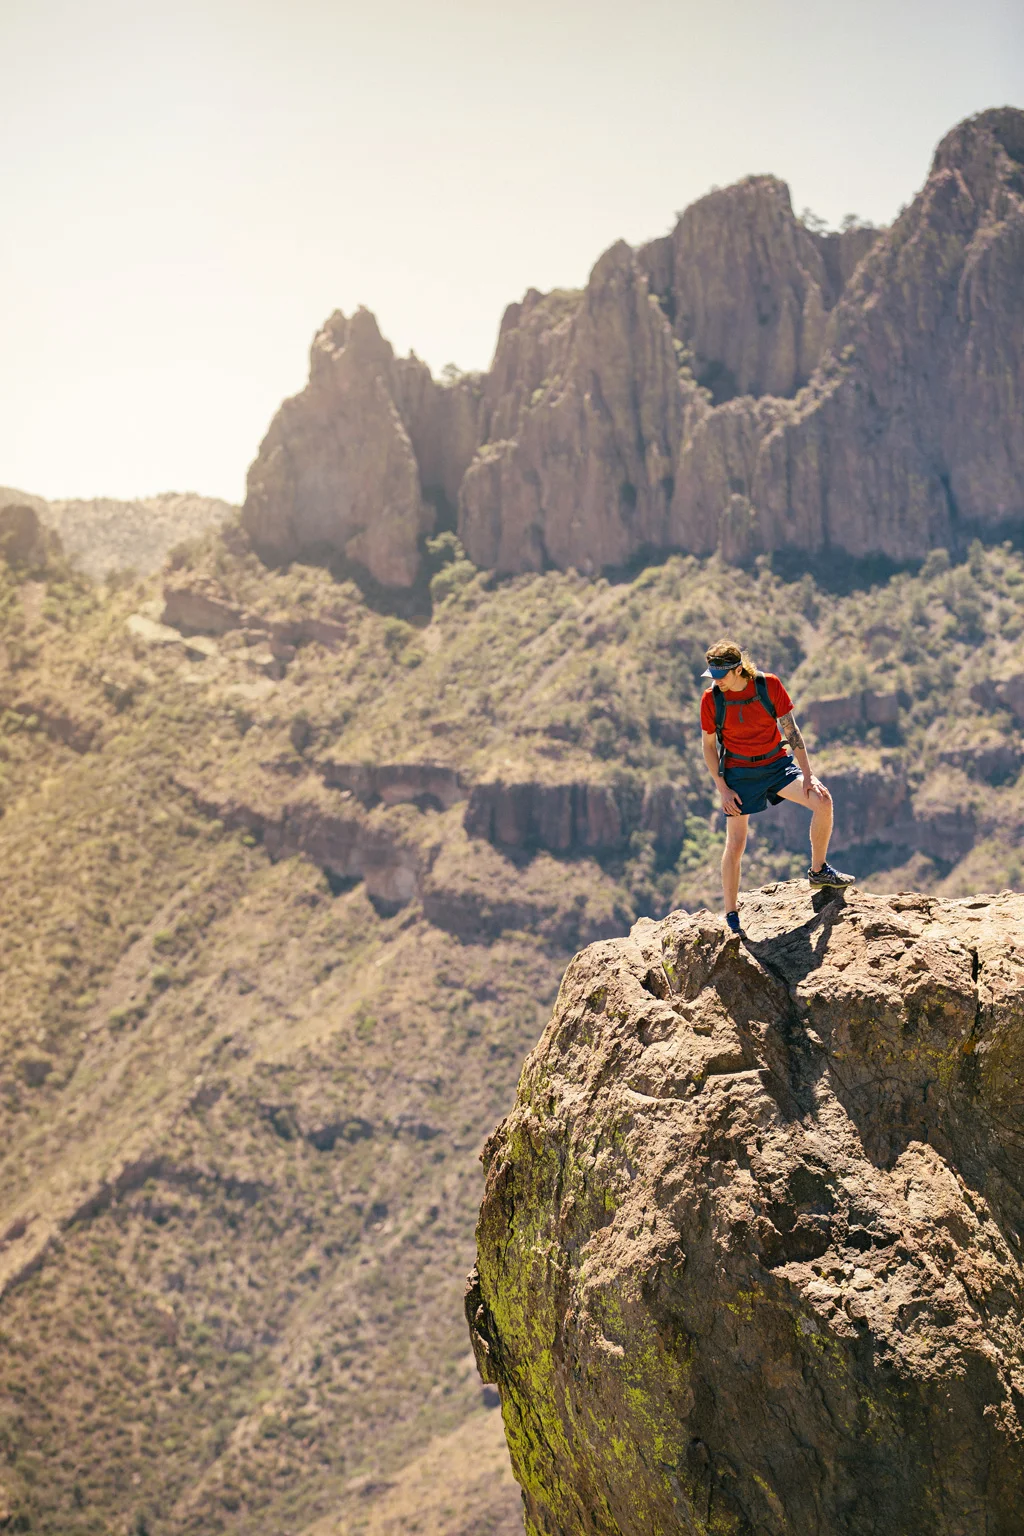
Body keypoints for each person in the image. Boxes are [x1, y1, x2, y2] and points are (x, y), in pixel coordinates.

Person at [699, 639, 854, 934]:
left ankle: (819, 871)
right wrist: (722, 787)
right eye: (712, 676)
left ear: (737, 669)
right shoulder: (711, 699)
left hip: (776, 765)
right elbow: (708, 746)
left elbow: (791, 730)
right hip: (739, 773)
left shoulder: (768, 686)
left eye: (721, 676)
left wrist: (808, 775)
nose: (716, 682)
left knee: (822, 800)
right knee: (736, 843)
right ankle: (731, 915)